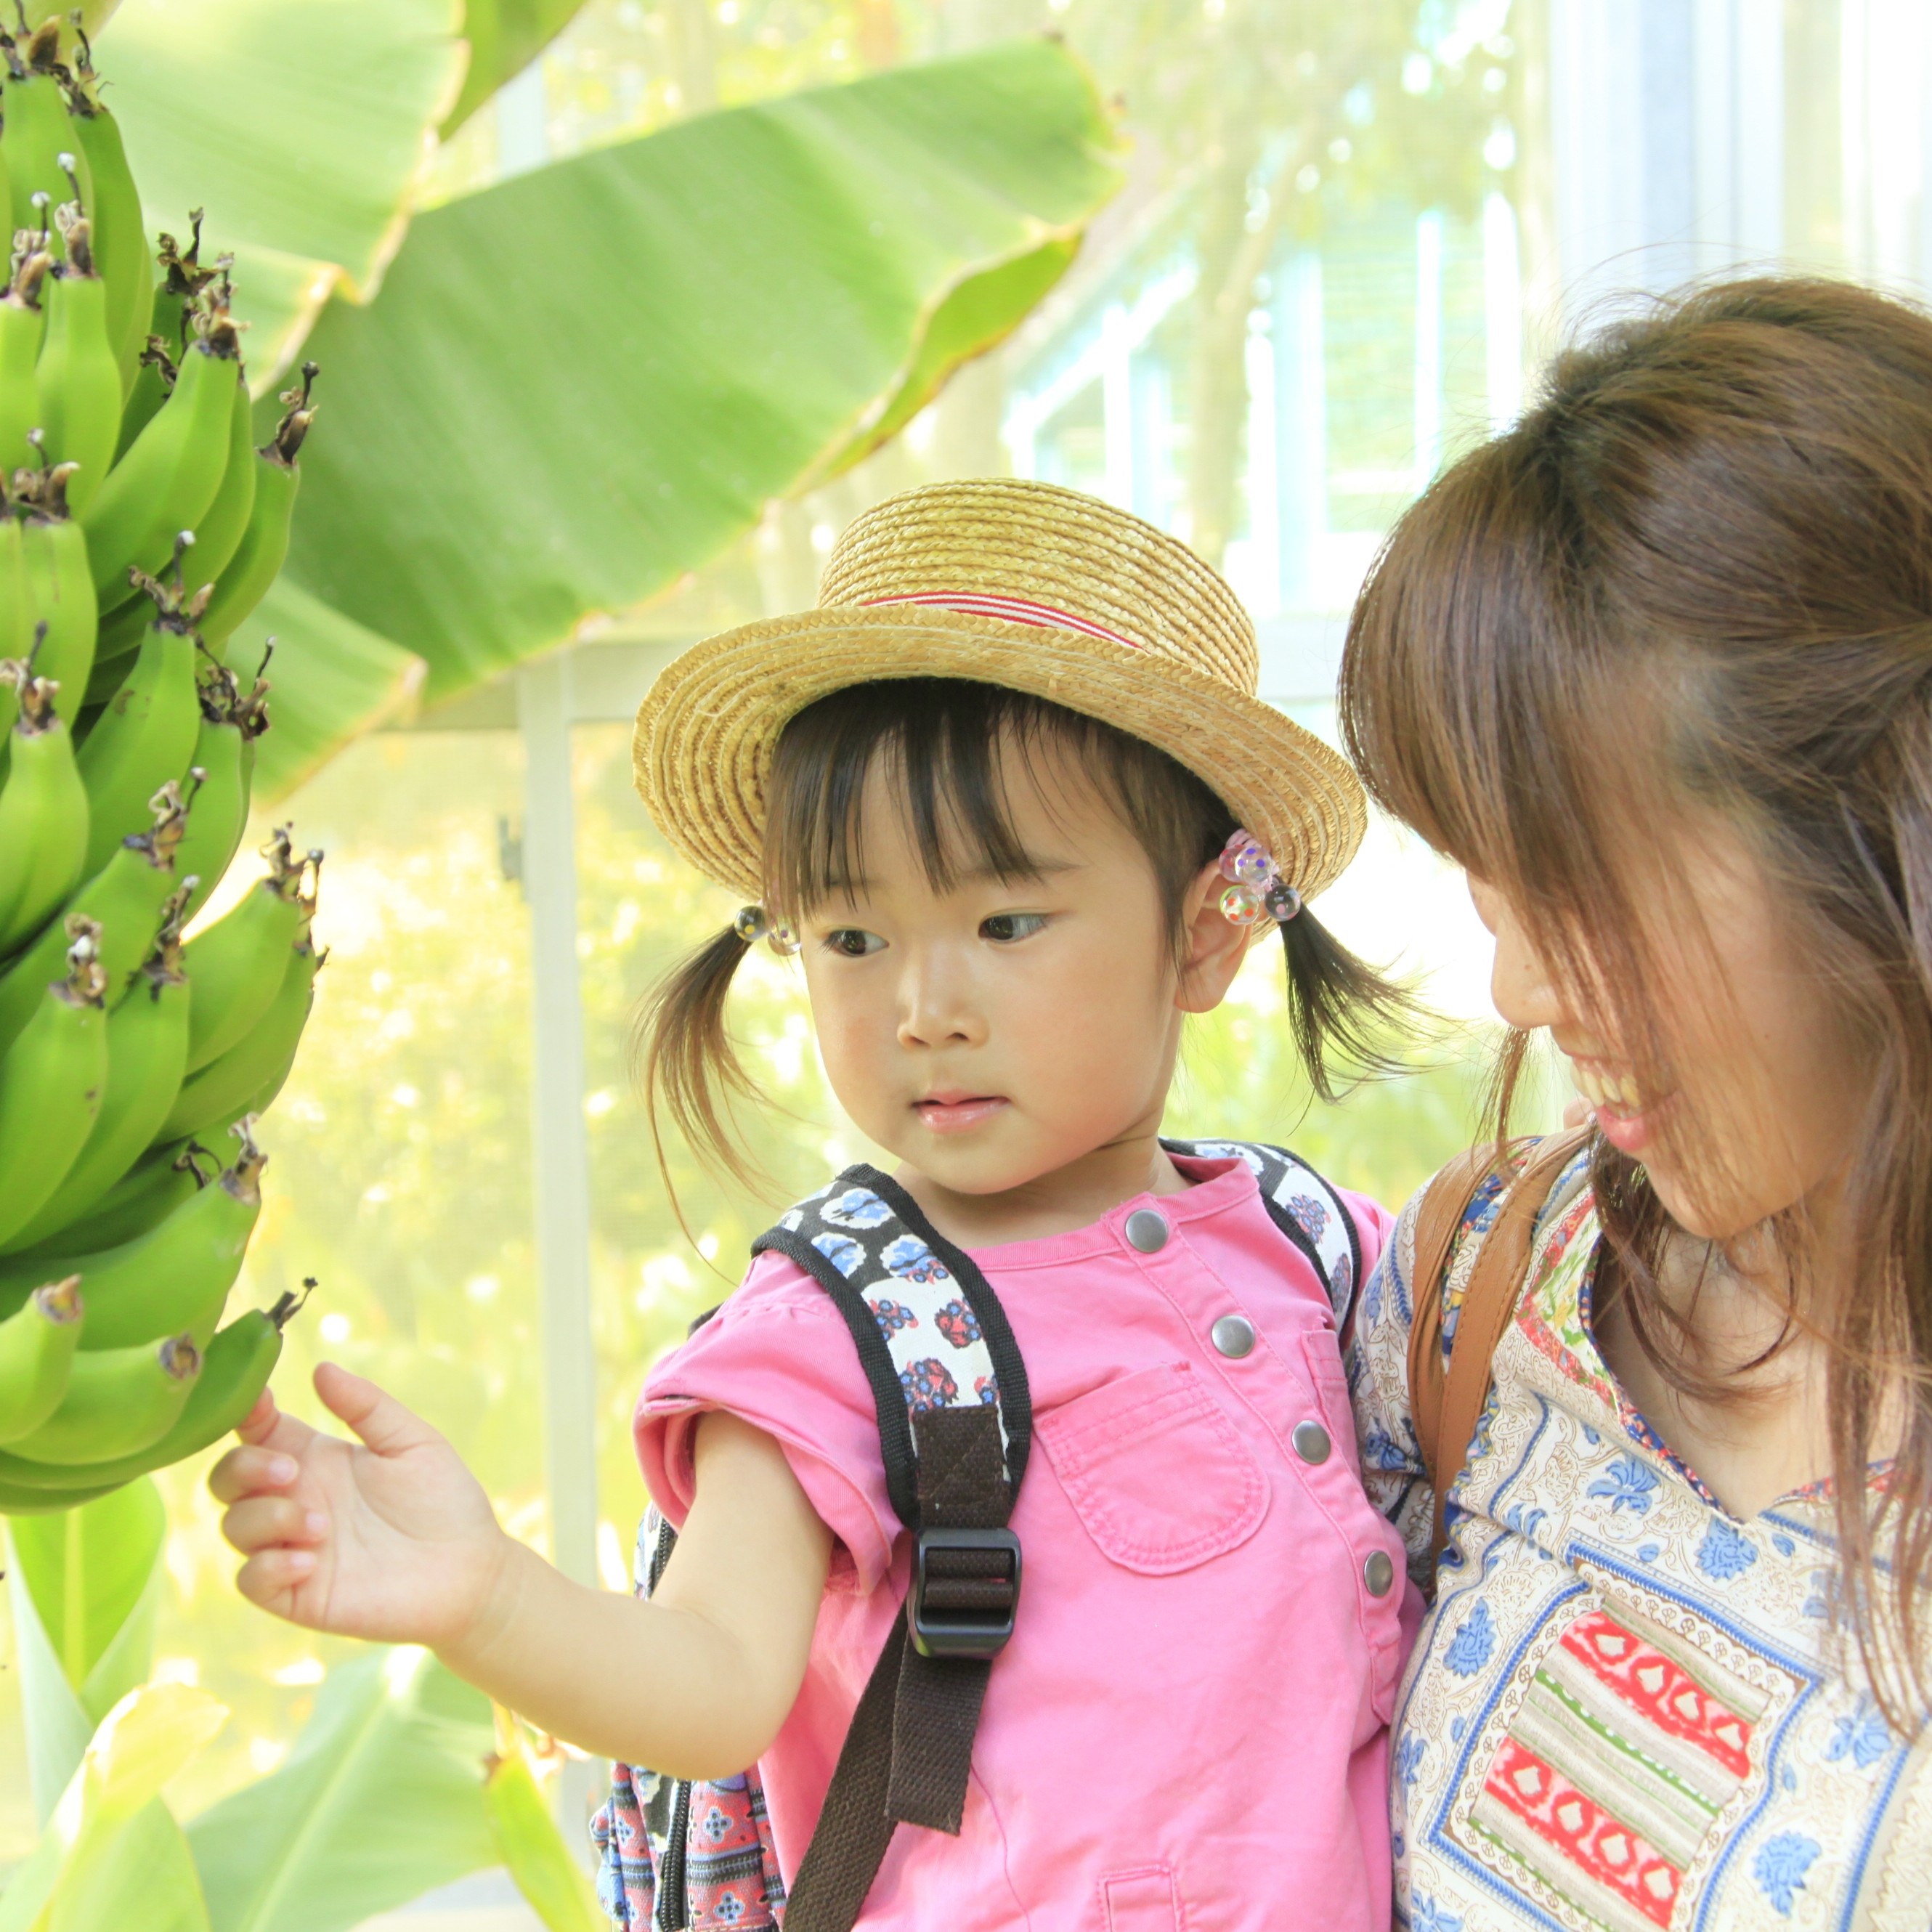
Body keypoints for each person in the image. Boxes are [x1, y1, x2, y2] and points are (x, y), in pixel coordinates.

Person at [210, 478, 1420, 1931]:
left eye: (1003, 922)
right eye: (852, 933)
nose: (922, 1005)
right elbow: (711, 1679)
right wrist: (483, 1593)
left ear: (1209, 931)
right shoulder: (834, 1340)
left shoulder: (1313, 1246)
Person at [1340, 277, 1932, 1930]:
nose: (1520, 994)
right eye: (1485, 886)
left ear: (1882, 835)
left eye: (1577, 885)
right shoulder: (1478, 1288)